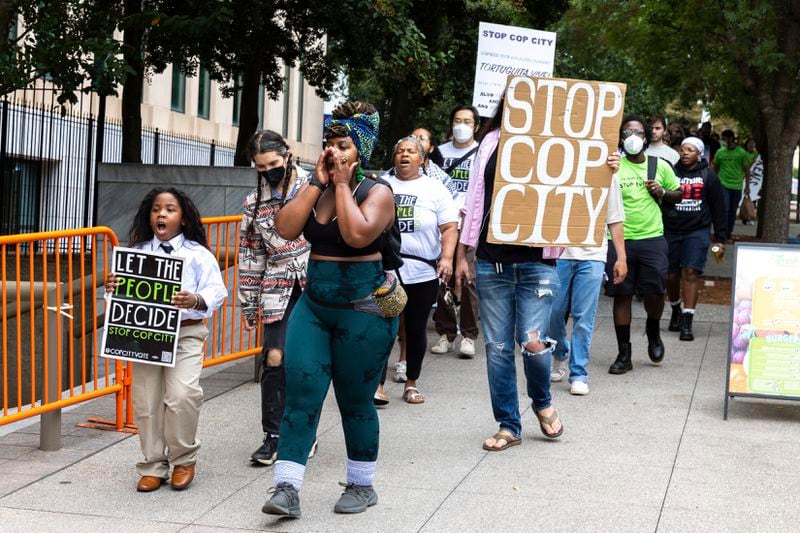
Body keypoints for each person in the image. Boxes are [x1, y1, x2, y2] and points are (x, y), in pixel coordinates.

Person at [262, 101, 399, 518]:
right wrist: (318, 184)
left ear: (360, 152)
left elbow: (357, 235)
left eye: (344, 145)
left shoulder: (378, 192)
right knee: (301, 394)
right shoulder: (315, 186)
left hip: (364, 310)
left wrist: (341, 184)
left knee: (354, 399)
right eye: (329, 144)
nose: (334, 152)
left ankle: (361, 484)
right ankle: (286, 487)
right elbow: (285, 229)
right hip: (315, 306)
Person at [454, 99, 567, 453]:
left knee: (533, 343)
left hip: (538, 263)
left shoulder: (559, 143)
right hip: (493, 260)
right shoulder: (490, 141)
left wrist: (605, 167)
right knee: (498, 348)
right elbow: (474, 199)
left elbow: (580, 189)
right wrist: (462, 252)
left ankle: (542, 401)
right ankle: (508, 424)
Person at [105, 187, 227, 492]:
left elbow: (217, 292)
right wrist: (112, 288)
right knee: (146, 401)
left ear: (183, 219)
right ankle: (152, 465)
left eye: (170, 209)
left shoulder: (198, 255)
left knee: (182, 396)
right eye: (157, 208)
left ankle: (184, 459)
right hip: (145, 335)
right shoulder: (135, 254)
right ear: (150, 216)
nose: (162, 213)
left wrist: (195, 299)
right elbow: (119, 302)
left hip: (186, 332)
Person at [238, 130, 318, 466]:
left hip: (316, 280)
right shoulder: (253, 203)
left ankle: (303, 433)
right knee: (274, 357)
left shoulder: (314, 187)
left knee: (309, 363)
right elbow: (251, 254)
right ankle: (272, 435)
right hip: (276, 284)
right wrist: (248, 302)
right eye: (260, 167)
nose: (268, 171)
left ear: (287, 155)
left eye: (273, 163)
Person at [378, 136, 458, 404]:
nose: (404, 155)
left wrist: (446, 258)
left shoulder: (435, 189)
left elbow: (449, 228)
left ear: (423, 160)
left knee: (415, 328)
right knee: (383, 329)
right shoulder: (381, 185)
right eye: (399, 150)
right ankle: (376, 384)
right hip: (386, 270)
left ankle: (411, 383)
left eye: (411, 151)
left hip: (422, 272)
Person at [606, 115, 682, 375]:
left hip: (652, 238)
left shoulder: (658, 165)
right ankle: (624, 353)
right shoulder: (614, 166)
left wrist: (662, 192)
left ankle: (653, 329)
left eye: (638, 132)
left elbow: (678, 193)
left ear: (647, 137)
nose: (633, 138)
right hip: (619, 241)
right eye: (627, 133)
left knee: (655, 292)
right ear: (621, 138)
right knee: (621, 294)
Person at [549, 174, 627, 395]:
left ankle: (579, 373)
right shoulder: (555, 166)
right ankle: (560, 352)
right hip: (557, 252)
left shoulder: (606, 173)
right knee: (553, 312)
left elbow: (614, 218)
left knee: (584, 315)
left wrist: (621, 257)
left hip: (592, 253)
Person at [664, 137, 727, 341]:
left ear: (699, 154)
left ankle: (688, 322)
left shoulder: (708, 175)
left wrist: (720, 238)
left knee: (690, 272)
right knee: (671, 275)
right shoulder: (671, 172)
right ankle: (675, 310)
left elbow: (718, 207)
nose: (685, 153)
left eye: (690, 150)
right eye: (683, 149)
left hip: (697, 231)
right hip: (671, 229)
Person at [432, 105, 481, 358]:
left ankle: (469, 335)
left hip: (469, 224)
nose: (461, 125)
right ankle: (445, 332)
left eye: (467, 121)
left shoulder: (482, 152)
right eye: (457, 120)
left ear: (476, 126)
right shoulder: (439, 153)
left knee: (467, 277)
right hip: (442, 222)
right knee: (443, 276)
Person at [713, 129, 752, 240]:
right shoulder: (720, 152)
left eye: (725, 139)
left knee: (732, 211)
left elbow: (747, 170)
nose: (723, 141)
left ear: (731, 138)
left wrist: (748, 186)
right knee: (723, 209)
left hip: (737, 186)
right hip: (723, 185)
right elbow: (715, 166)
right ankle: (720, 234)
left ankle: (728, 233)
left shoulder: (742, 153)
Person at [411, 127, 457, 197]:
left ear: (431, 148)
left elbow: (454, 204)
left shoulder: (442, 178)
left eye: (422, 138)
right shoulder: (392, 174)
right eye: (412, 138)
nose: (416, 141)